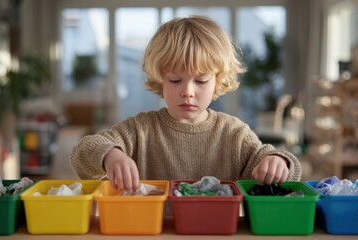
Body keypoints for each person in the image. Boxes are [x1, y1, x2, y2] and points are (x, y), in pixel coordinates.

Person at [69, 16, 302, 191]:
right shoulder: (138, 130)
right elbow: (82, 152)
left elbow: (279, 165)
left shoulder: (234, 133)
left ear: (218, 80)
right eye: (175, 80)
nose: (187, 92)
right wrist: (110, 155)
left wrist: (279, 162)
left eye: (201, 80)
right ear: (160, 79)